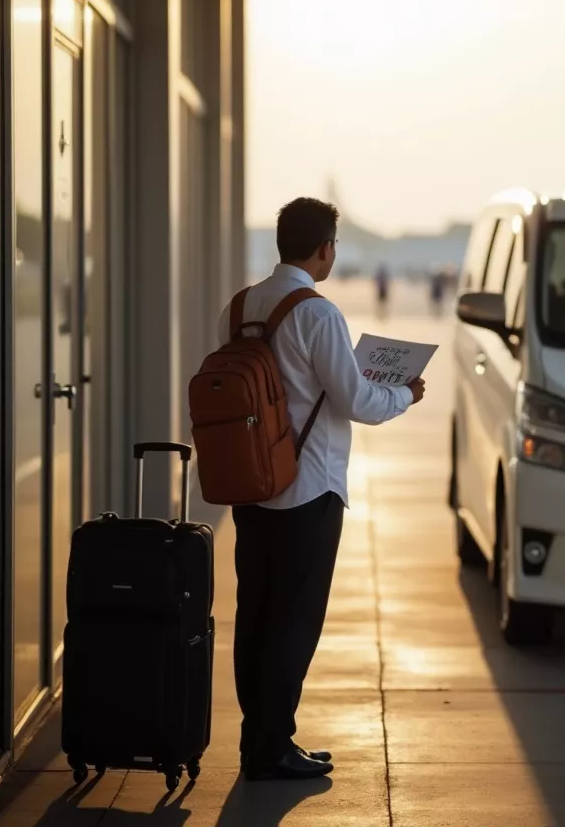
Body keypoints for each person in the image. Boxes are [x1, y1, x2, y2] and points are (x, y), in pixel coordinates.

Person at [218, 198, 425, 781]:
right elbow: (356, 400)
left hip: (251, 485)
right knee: (295, 617)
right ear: (325, 248)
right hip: (309, 488)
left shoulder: (237, 309)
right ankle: (272, 747)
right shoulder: (318, 313)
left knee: (255, 611)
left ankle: (256, 740)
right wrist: (406, 393)